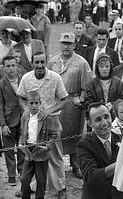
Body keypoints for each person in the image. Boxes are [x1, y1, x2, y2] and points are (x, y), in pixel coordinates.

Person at [16, 53, 68, 199]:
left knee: (55, 155)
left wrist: (48, 111)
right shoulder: (26, 78)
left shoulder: (55, 77)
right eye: (37, 62)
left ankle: (60, 188)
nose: (40, 65)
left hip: (51, 122)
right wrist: (26, 108)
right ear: (32, 63)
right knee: (32, 153)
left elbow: (64, 99)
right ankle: (30, 186)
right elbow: (20, 96)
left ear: (46, 62)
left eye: (42, 62)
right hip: (32, 123)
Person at [48, 32, 91, 179]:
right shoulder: (52, 61)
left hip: (72, 103)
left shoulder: (81, 63)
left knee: (74, 135)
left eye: (69, 43)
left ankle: (75, 164)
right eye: (63, 43)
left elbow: (87, 85)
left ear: (74, 45)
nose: (66, 46)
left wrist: (81, 99)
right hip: (54, 103)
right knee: (54, 135)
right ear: (60, 44)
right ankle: (54, 165)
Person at [76, 102, 123, 199]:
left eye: (106, 117)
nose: (104, 123)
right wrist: (118, 164)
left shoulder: (121, 140)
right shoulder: (83, 145)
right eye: (98, 119)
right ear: (90, 123)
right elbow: (90, 176)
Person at [19, 91, 57, 199]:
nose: (34, 106)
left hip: (41, 152)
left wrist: (47, 146)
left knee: (41, 181)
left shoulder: (46, 117)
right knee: (24, 179)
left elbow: (54, 135)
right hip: (28, 151)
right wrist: (21, 143)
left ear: (40, 103)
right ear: (27, 104)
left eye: (36, 103)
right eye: (31, 103)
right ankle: (25, 196)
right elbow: (22, 132)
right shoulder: (25, 116)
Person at [0, 56, 24, 186]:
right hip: (9, 121)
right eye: (7, 66)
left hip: (23, 119)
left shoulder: (24, 80)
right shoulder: (2, 84)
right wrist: (3, 124)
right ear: (3, 68)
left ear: (17, 66)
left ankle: (21, 170)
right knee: (9, 149)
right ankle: (11, 175)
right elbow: (0, 105)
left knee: (22, 147)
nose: (11, 69)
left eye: (13, 65)